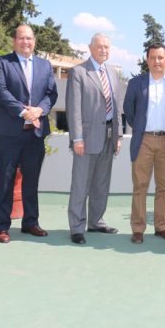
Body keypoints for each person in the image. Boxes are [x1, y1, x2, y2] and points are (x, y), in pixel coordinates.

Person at [0, 24, 58, 244]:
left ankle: (30, 222)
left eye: (29, 38)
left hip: (34, 134)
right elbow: (0, 91)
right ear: (14, 41)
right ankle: (1, 226)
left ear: (34, 41)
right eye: (21, 38)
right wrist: (24, 112)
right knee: (5, 180)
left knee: (31, 181)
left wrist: (40, 110)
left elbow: (51, 94)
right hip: (8, 134)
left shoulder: (45, 65)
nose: (25, 42)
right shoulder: (2, 63)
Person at [123, 43, 165, 244]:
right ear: (147, 59)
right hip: (144, 140)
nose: (157, 61)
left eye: (161, 57)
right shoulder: (135, 83)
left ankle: (161, 226)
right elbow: (129, 112)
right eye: (152, 57)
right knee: (140, 185)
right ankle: (138, 228)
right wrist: (142, 128)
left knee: (164, 186)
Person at [66, 33, 123, 245]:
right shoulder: (79, 72)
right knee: (81, 184)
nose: (104, 50)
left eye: (107, 47)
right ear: (90, 48)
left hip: (109, 137)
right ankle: (77, 227)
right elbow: (74, 109)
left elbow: (117, 107)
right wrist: (77, 138)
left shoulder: (113, 73)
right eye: (99, 47)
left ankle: (96, 221)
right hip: (86, 139)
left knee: (101, 183)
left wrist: (117, 135)